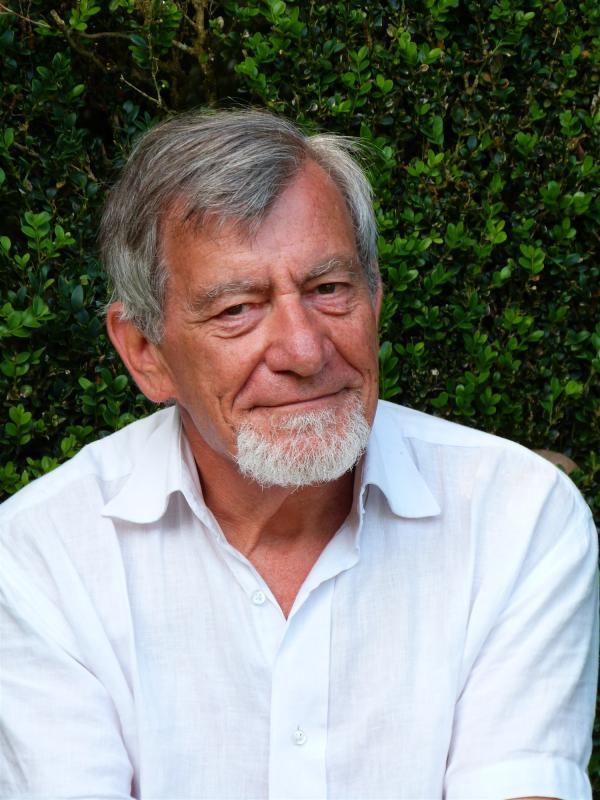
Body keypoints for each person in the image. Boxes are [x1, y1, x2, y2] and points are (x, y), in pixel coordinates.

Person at [0, 109, 597, 800]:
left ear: (375, 296)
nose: (304, 351)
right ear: (145, 353)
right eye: (237, 310)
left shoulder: (517, 517)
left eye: (329, 290)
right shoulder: (42, 557)